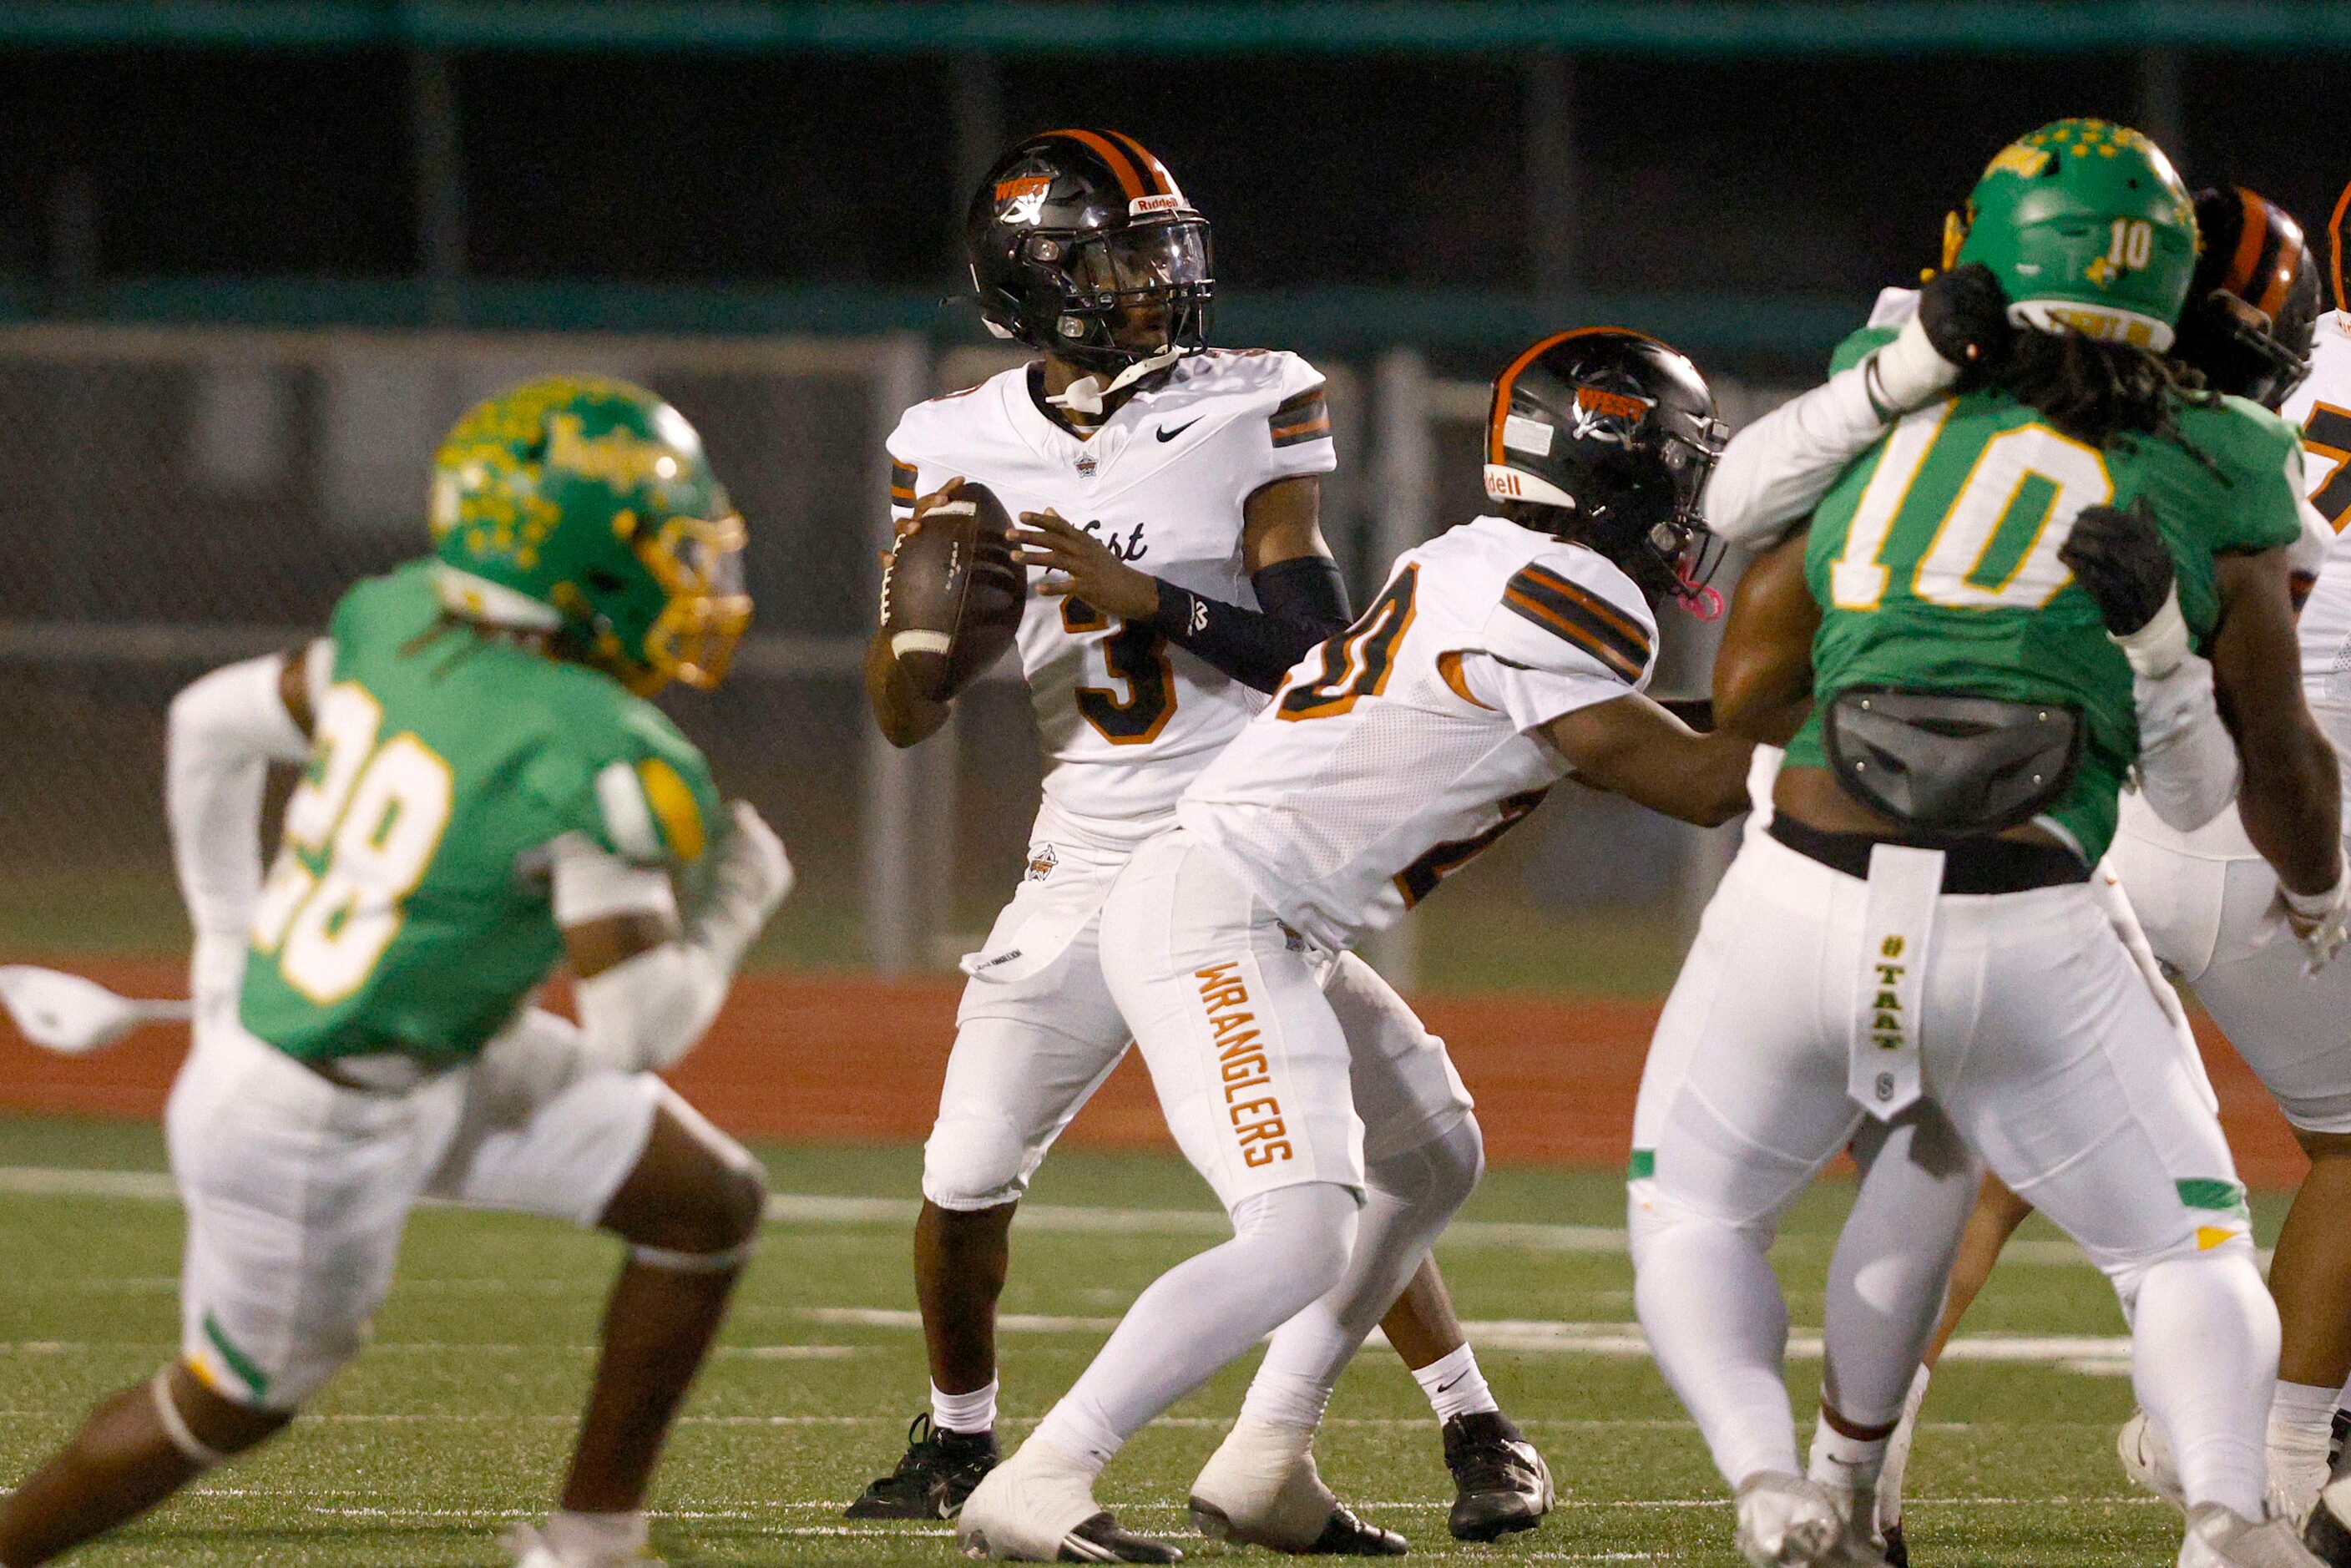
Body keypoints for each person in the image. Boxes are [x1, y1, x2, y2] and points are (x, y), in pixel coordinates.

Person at [1628, 120, 2348, 1568]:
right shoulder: (2217, 452)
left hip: (1807, 879)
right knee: (2184, 1244)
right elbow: (2236, 778)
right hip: (2034, 898)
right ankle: (2231, 1509)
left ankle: (1788, 1486)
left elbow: (1742, 589)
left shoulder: (1885, 398)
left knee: (1709, 1212)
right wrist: (2163, 665)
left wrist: (1897, 381)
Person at [852, 128, 1551, 1545]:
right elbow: (904, 717)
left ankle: (1466, 1414)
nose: (1156, 280)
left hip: (1248, 835)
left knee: (1340, 1150)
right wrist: (925, 641)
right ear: (1029, 278)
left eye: (1163, 249)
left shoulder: (1254, 401)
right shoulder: (946, 443)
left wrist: (1145, 595)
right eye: (1116, 255)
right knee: (968, 1165)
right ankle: (960, 1438)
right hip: (1088, 844)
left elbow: (1316, 644)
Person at [956, 326, 1757, 1561]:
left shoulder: (1481, 558)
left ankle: (1268, 1453)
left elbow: (1623, 734)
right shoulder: (1574, 594)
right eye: (1678, 461)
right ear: (1617, 462)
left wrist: (1821, 709)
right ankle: (1045, 1471)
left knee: (1431, 1152)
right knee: (1296, 1231)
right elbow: (1689, 780)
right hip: (1226, 907)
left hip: (1257, 906)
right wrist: (1878, 747)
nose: (1689, 494)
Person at [0, 378, 791, 1568]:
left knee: (705, 1202)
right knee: (231, 1401)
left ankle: (588, 1544)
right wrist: (735, 909)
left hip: (430, 1043)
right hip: (320, 1115)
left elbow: (209, 723)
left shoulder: (406, 616)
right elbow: (636, 1031)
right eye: (672, 550)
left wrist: (223, 940)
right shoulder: (591, 753)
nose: (700, 581)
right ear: (581, 560)